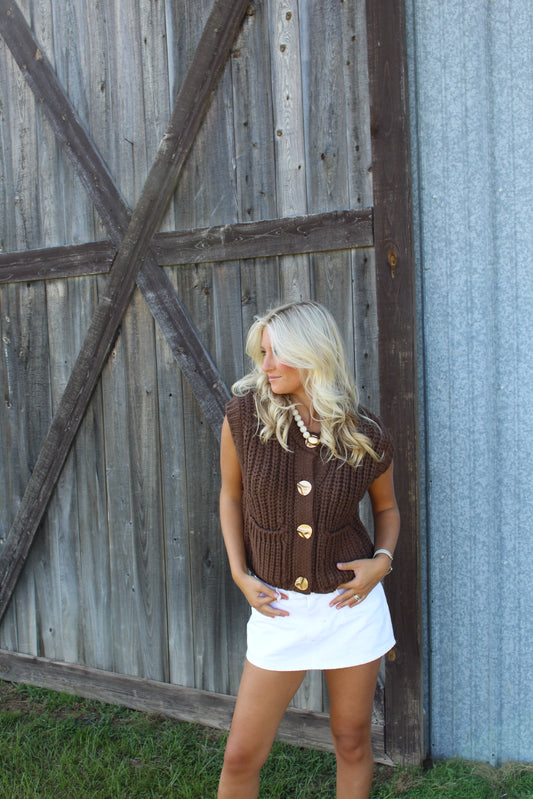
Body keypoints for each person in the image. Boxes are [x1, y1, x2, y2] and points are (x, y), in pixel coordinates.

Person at [217, 301, 399, 799]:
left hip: (350, 607)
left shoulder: (365, 432)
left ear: (313, 354)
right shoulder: (243, 419)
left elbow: (387, 510)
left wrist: (380, 565)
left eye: (278, 353)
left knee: (353, 741)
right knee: (240, 755)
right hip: (278, 609)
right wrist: (238, 572)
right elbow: (230, 497)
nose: (266, 365)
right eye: (263, 352)